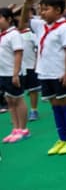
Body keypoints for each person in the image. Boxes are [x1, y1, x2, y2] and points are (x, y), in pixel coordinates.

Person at [31, 0, 66, 155]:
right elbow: (23, 21)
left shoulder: (65, 27)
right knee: (55, 106)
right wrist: (27, 5)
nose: (42, 13)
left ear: (58, 10)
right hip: (45, 73)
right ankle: (62, 138)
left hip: (60, 73)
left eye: (46, 9)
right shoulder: (42, 26)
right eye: (41, 9)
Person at [0, 7, 28, 143]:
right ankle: (15, 129)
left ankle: (23, 129)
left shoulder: (14, 34)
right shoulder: (3, 35)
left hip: (13, 73)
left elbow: (18, 53)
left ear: (9, 19)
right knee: (10, 101)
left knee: (18, 100)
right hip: (3, 73)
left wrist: (15, 74)